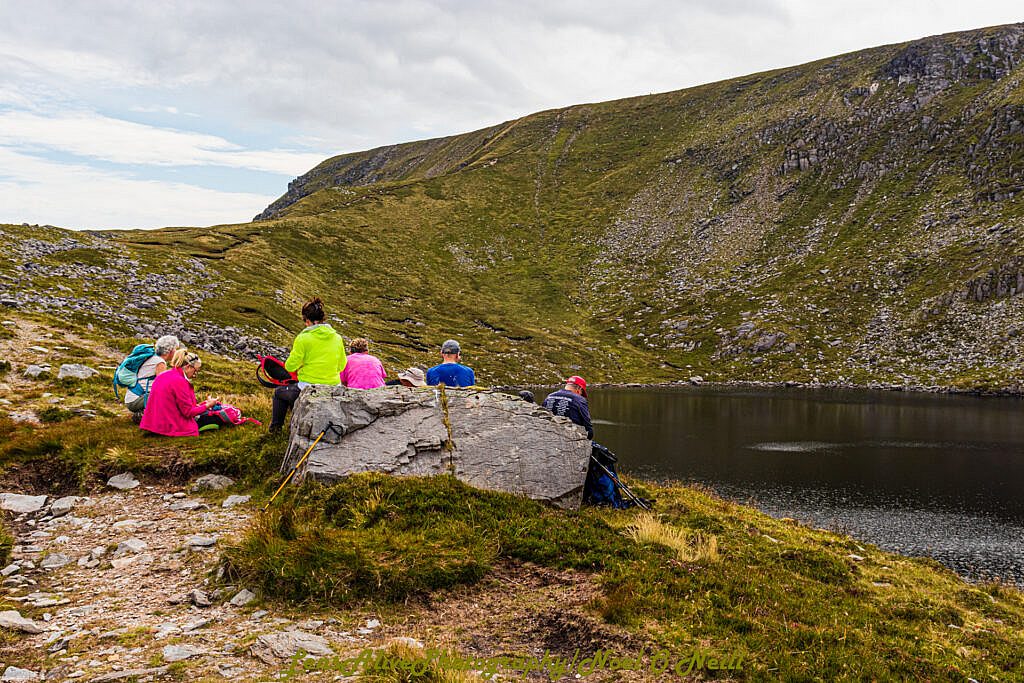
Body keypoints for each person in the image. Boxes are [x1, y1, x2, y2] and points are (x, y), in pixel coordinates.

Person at [269, 297, 347, 431]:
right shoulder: (337, 337)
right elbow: (342, 366)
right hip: (333, 387)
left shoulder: (303, 338)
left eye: (305, 321)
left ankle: (275, 430)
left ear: (308, 320)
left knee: (279, 393)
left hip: (309, 387)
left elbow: (290, 366)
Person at [139, 350, 219, 437]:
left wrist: (204, 405)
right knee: (215, 418)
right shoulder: (180, 382)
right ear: (188, 367)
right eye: (195, 371)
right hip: (170, 425)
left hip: (154, 424)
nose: (195, 374)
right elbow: (188, 412)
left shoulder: (163, 375)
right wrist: (207, 406)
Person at [125, 335, 180, 422]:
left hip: (133, 398)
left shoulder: (152, 358)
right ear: (170, 350)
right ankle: (145, 415)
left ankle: (146, 413)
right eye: (175, 349)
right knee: (168, 396)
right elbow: (163, 385)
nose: (176, 352)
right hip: (137, 400)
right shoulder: (160, 362)